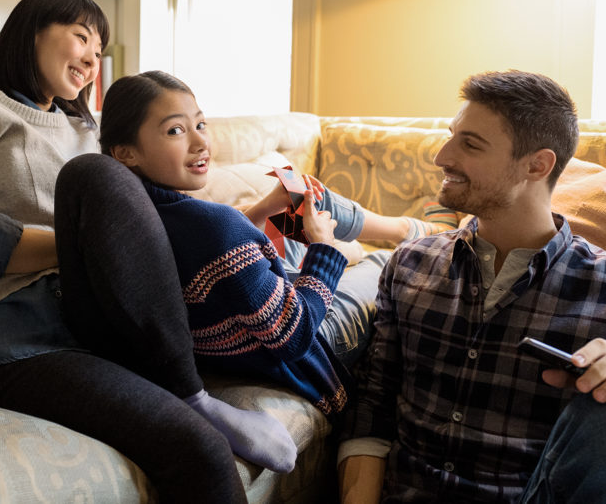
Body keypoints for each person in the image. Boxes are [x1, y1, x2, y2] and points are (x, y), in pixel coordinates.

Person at [0, 0, 296, 504]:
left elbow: (150, 232)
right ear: (31, 33)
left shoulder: (87, 131)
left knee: (110, 175)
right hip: (12, 342)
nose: (93, 59)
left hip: (97, 320)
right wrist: (91, 244)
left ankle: (190, 389)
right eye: (81, 37)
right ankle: (191, 394)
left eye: (100, 51)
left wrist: (255, 216)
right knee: (198, 449)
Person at [338, 70, 606, 503]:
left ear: (537, 165)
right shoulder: (409, 265)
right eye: (451, 136)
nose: (441, 156)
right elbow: (372, 418)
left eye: (469, 144)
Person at [89, 70, 459, 418]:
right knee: (389, 264)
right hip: (309, 342)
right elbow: (293, 336)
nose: (201, 142)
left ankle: (409, 229)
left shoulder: (134, 218)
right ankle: (424, 237)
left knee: (301, 195)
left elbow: (218, 256)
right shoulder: (212, 225)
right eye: (175, 131)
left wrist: (264, 208)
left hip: (252, 311)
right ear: (126, 152)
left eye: (200, 124)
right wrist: (324, 251)